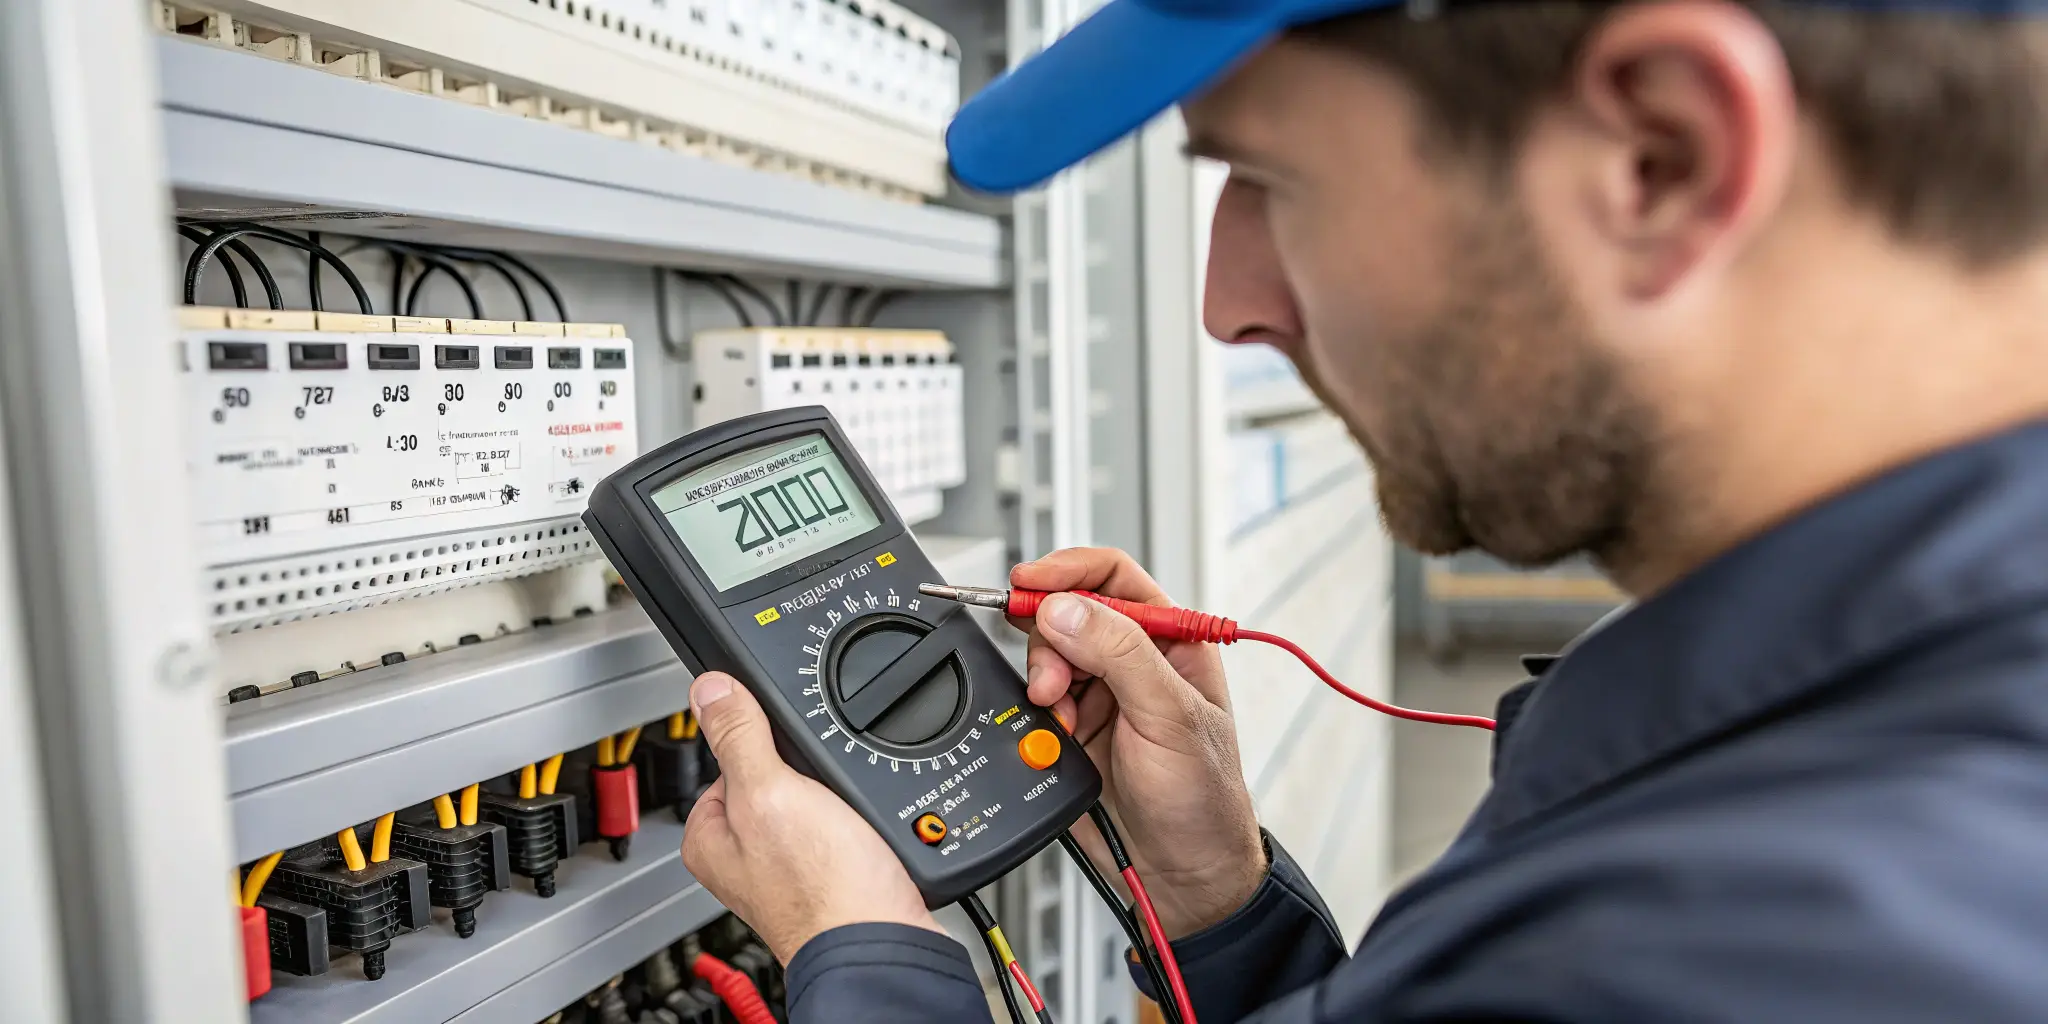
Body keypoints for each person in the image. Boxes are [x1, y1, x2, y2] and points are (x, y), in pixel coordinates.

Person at [677, 0, 2048, 1019]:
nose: (1229, 308)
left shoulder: (1799, 933)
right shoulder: (1847, 739)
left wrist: (873, 965)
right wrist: (1218, 905)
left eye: (1271, 180)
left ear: (1662, 156)